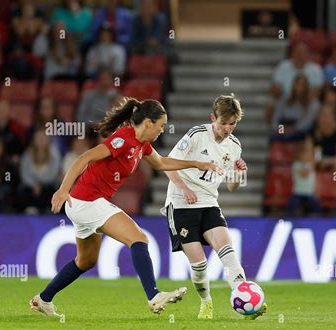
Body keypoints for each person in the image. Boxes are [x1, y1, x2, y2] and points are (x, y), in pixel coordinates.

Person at [30, 97, 219, 317]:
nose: (162, 130)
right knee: (138, 238)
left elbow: (162, 163)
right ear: (148, 122)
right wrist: (63, 189)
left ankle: (43, 300)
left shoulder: (142, 144)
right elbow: (85, 157)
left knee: (86, 260)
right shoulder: (124, 138)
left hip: (85, 203)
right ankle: (154, 296)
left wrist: (197, 164)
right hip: (86, 201)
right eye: (161, 125)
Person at [163, 95, 267, 320]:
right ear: (213, 118)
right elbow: (167, 164)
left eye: (233, 124)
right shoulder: (196, 135)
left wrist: (239, 174)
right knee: (199, 265)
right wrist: (184, 189)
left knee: (229, 256)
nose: (228, 128)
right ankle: (206, 302)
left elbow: (231, 187)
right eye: (223, 123)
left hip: (209, 203)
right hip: (181, 204)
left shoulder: (234, 146)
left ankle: (248, 304)